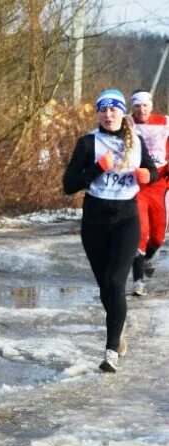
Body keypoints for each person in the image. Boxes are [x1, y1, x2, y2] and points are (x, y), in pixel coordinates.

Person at [62, 88, 157, 372]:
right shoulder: (88, 143)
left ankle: (111, 351)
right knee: (106, 286)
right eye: (102, 109)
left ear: (122, 112)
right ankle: (119, 324)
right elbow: (68, 185)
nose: (108, 114)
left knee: (116, 282)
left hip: (126, 220)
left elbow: (151, 171)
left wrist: (147, 175)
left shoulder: (136, 141)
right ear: (98, 114)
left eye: (113, 108)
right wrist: (96, 169)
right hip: (94, 222)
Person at [128, 90, 168, 295]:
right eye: (137, 105)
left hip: (160, 184)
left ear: (151, 106)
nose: (141, 109)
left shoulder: (164, 123)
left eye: (145, 105)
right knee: (141, 230)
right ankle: (138, 282)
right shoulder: (126, 124)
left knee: (159, 235)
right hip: (137, 185)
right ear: (131, 107)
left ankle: (150, 256)